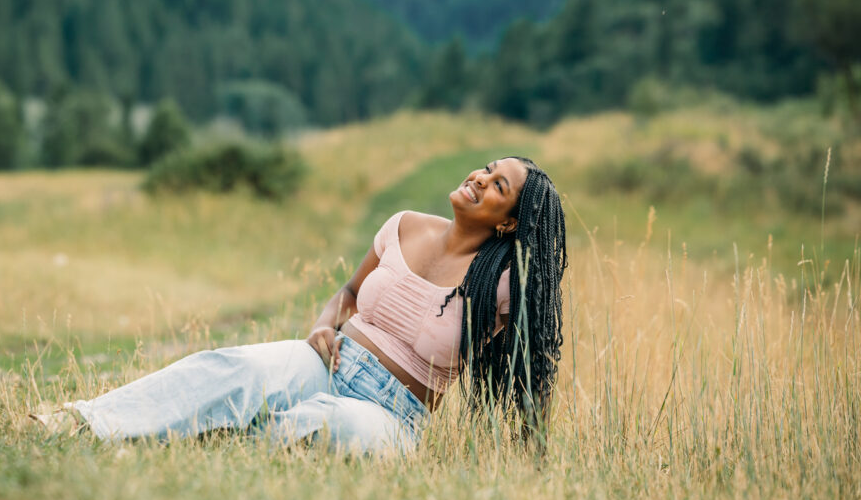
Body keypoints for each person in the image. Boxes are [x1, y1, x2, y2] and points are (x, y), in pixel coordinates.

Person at [31, 157, 567, 455]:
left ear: (509, 222)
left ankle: (213, 448)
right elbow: (349, 294)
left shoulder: (501, 284)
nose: (479, 178)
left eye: (497, 186)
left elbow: (535, 362)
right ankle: (84, 421)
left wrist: (533, 454)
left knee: (329, 426)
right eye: (485, 169)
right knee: (234, 368)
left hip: (392, 414)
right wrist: (322, 325)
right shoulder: (403, 225)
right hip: (327, 362)